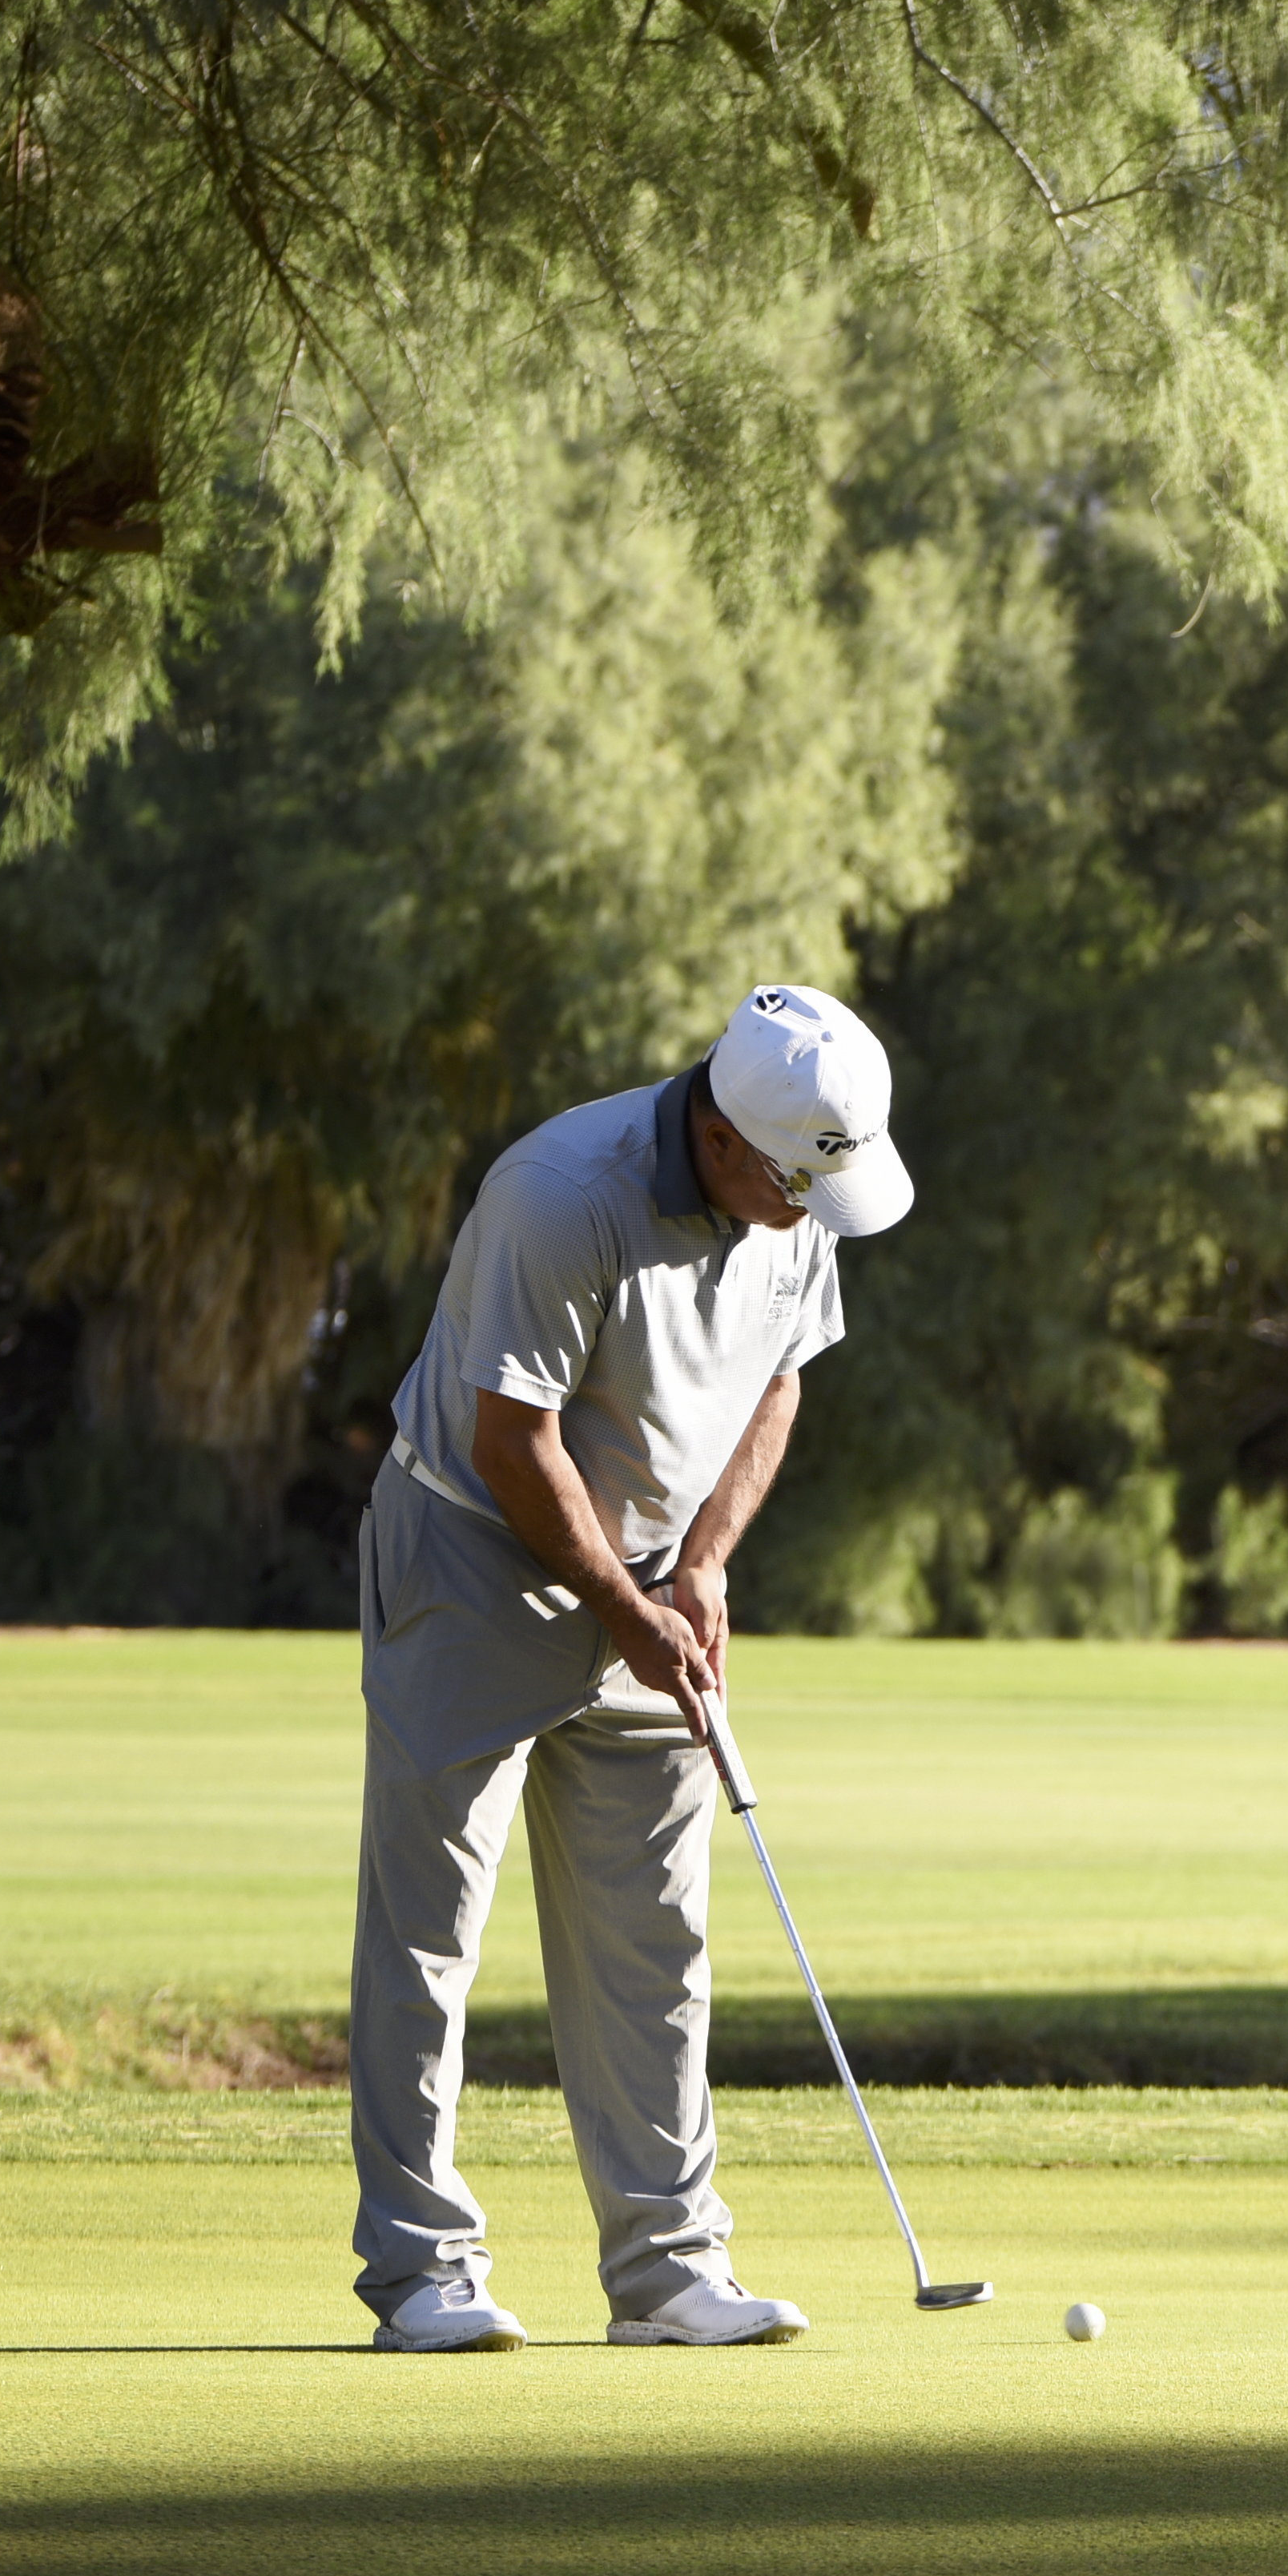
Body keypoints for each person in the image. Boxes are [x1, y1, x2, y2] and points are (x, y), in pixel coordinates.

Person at [343, 983, 913, 2352]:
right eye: (792, 1191)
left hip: (652, 1575)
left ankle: (665, 2273)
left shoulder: (798, 1194)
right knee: (431, 1936)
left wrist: (703, 1566)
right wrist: (624, 1603)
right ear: (723, 1139)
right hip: (474, 1554)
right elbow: (514, 1441)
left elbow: (779, 1380)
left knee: (655, 1942)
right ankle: (423, 2273)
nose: (807, 1219)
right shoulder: (560, 1195)